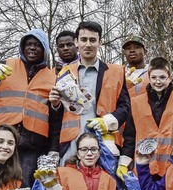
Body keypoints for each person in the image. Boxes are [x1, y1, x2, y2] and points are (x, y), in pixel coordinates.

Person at [0, 29, 56, 186]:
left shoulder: (53, 77)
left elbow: (56, 119)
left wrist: (53, 148)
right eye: (28, 44)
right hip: (2, 139)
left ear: (44, 49)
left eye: (37, 45)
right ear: (22, 47)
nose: (32, 48)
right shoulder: (4, 66)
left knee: (23, 188)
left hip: (32, 144)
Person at [49, 21, 131, 164]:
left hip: (105, 143)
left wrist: (108, 121)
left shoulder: (116, 72)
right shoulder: (64, 73)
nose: (88, 44)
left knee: (105, 185)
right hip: (71, 144)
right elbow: (57, 118)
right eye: (84, 39)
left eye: (93, 40)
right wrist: (55, 105)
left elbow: (125, 107)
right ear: (76, 42)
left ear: (100, 43)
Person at [120, 57, 173, 178]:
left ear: (170, 77)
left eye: (162, 77)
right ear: (148, 77)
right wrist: (124, 163)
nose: (158, 81)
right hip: (144, 167)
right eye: (154, 77)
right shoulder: (136, 103)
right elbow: (130, 137)